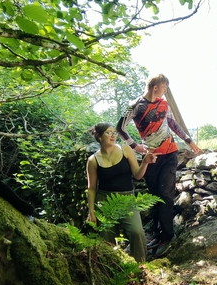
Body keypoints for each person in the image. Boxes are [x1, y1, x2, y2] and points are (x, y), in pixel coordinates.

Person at [116, 73, 202, 257]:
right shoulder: (136, 106)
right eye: (164, 87)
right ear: (156, 86)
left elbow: (172, 123)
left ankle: (168, 236)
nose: (165, 91)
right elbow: (119, 127)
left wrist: (190, 142)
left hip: (170, 153)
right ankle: (156, 235)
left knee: (165, 193)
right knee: (154, 196)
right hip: (151, 157)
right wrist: (136, 147)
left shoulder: (164, 104)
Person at [86, 122, 158, 263]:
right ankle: (109, 270)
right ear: (99, 137)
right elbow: (91, 188)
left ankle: (140, 267)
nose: (113, 136)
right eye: (108, 132)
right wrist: (92, 211)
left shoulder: (125, 149)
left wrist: (145, 162)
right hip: (105, 201)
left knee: (137, 232)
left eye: (114, 132)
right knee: (107, 238)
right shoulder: (92, 161)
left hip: (127, 199)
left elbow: (137, 175)